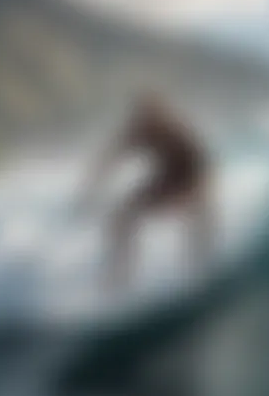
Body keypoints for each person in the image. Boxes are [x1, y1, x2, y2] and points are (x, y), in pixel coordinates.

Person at [85, 89, 214, 292]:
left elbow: (200, 163)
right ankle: (119, 276)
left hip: (189, 176)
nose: (148, 121)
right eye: (144, 116)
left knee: (199, 217)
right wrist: (90, 189)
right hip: (165, 178)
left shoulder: (175, 131)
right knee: (121, 218)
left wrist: (197, 194)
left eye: (153, 115)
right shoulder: (136, 130)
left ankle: (202, 270)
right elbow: (109, 158)